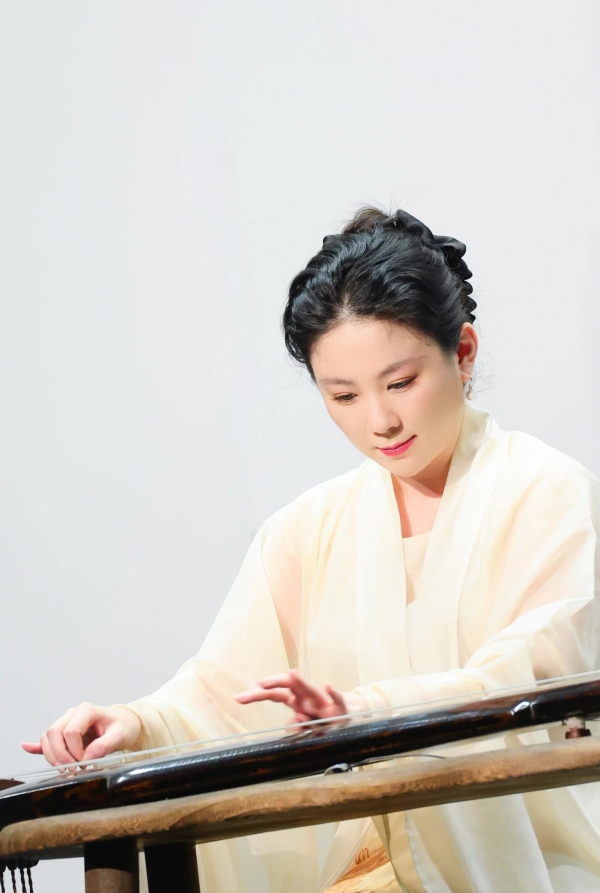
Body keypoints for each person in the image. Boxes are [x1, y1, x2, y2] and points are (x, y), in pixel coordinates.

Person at [23, 207, 600, 893]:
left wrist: (365, 713)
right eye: (344, 395)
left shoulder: (544, 490)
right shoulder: (307, 528)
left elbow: (540, 670)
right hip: (356, 868)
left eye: (401, 382)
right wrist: (137, 722)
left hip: (525, 864)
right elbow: (222, 694)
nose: (380, 421)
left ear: (464, 352)